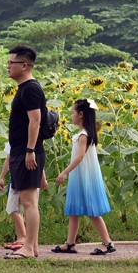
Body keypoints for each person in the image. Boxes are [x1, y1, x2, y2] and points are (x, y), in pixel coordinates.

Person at [53, 98, 116, 256]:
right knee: (74, 209)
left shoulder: (83, 135)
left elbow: (80, 157)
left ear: (81, 114)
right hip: (79, 176)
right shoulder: (83, 134)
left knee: (92, 211)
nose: (71, 116)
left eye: (73, 112)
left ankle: (108, 243)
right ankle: (70, 243)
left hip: (84, 177)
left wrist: (65, 172)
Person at [4, 46, 46, 259]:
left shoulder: (30, 89)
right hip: (23, 150)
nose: (8, 66)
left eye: (11, 63)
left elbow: (35, 120)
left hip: (27, 151)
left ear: (24, 65)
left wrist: (30, 150)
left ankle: (28, 247)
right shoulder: (25, 88)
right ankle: (33, 246)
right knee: (28, 201)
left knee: (29, 203)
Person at [0, 142, 49, 252]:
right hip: (23, 176)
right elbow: (8, 159)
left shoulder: (21, 141)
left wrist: (43, 179)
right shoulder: (20, 141)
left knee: (16, 208)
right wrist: (1, 177)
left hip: (22, 175)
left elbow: (36, 161)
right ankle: (23, 238)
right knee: (19, 208)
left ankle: (23, 238)